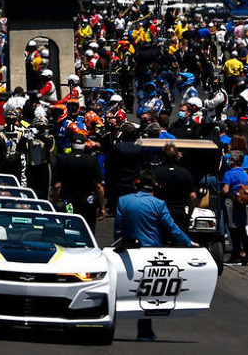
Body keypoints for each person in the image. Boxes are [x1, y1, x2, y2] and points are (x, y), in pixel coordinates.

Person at [114, 170, 197, 342]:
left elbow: (117, 230)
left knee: (121, 288)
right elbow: (171, 227)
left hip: (128, 251)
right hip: (151, 252)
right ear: (155, 186)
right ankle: (144, 331)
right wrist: (188, 242)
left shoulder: (123, 201)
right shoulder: (158, 204)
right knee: (148, 290)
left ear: (137, 184)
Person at [52, 134, 105, 232]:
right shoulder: (92, 161)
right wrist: (102, 206)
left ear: (71, 145)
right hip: (88, 201)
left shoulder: (63, 160)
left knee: (69, 228)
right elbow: (99, 186)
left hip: (69, 202)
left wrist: (54, 205)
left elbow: (57, 186)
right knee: (88, 230)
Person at [221, 153, 248, 266]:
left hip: (232, 203)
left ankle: (235, 255)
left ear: (234, 161)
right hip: (243, 204)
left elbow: (225, 190)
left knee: (233, 230)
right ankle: (247, 255)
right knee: (242, 230)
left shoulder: (228, 174)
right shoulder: (245, 175)